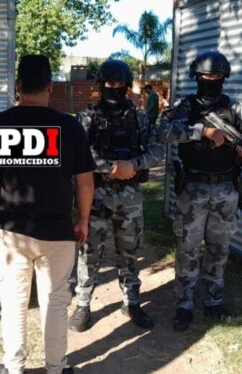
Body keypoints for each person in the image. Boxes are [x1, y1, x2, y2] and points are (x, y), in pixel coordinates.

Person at [0, 55, 95, 374]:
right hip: (57, 232)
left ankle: (14, 368)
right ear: (50, 86)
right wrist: (83, 220)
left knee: (13, 302)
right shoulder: (69, 126)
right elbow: (85, 181)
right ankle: (56, 368)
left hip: (12, 232)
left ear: (18, 86)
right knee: (55, 303)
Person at [158, 50, 242, 332]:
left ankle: (213, 301)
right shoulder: (185, 106)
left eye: (217, 76)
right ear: (197, 77)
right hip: (192, 188)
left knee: (219, 249)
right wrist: (201, 132)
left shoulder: (235, 109)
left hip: (225, 188)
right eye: (206, 76)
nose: (212, 80)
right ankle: (184, 305)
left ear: (224, 77)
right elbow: (164, 131)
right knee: (188, 248)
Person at [68, 59, 164, 332]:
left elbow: (158, 150)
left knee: (130, 252)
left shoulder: (139, 117)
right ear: (101, 85)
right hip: (94, 194)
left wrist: (134, 164)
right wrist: (111, 167)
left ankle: (131, 302)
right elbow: (78, 153)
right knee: (89, 251)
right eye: (111, 83)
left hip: (129, 196)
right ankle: (83, 305)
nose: (116, 87)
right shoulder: (86, 118)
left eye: (121, 83)